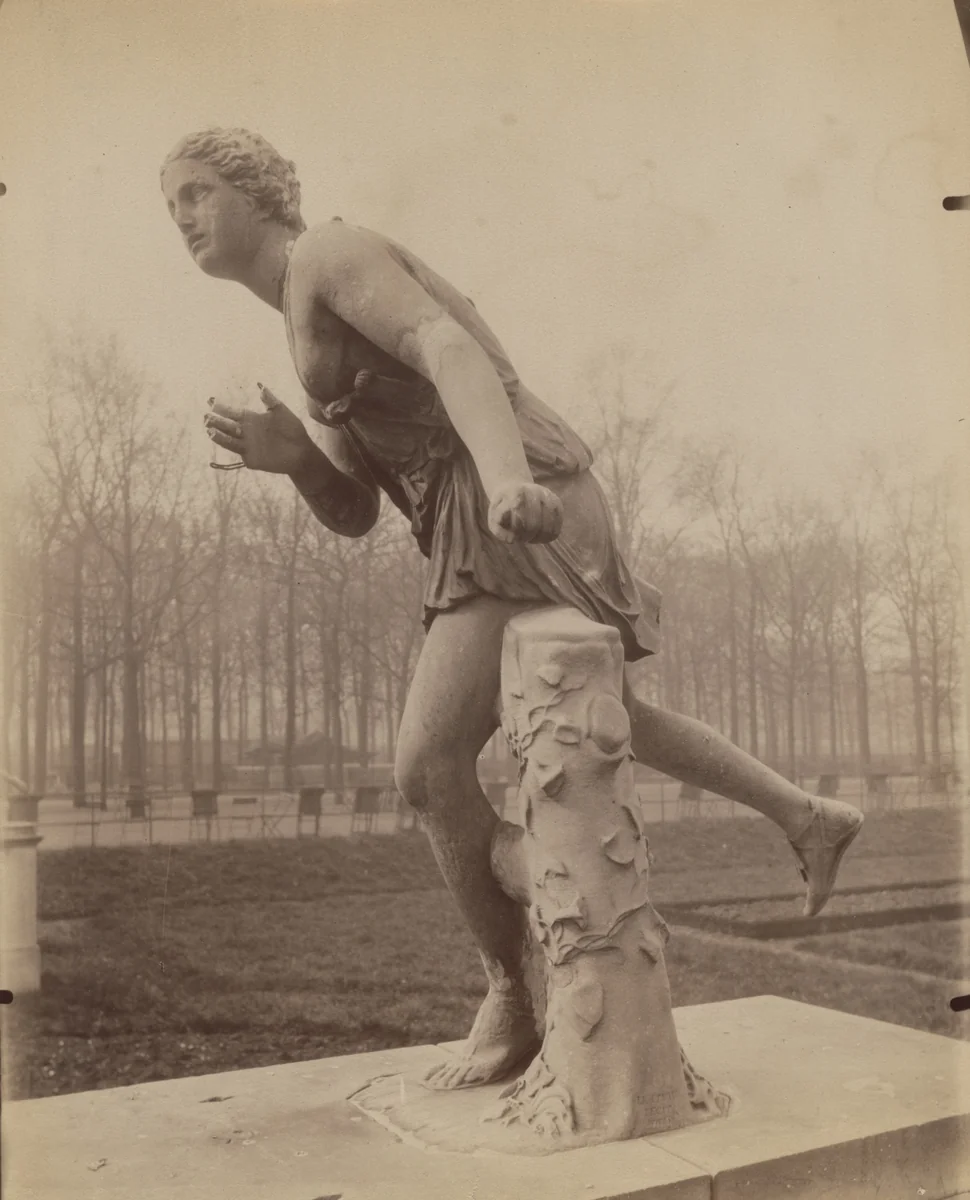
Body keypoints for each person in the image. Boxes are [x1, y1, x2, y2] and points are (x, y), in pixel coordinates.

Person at [161, 128, 863, 1091]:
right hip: (478, 511)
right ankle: (801, 816)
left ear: (256, 192)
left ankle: (518, 981)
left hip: (517, 496)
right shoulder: (294, 314)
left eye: (197, 193)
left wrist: (500, 482)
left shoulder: (329, 253)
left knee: (427, 762)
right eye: (173, 208)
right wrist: (292, 463)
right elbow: (358, 510)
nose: (184, 218)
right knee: (594, 713)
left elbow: (449, 349)